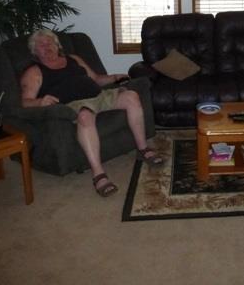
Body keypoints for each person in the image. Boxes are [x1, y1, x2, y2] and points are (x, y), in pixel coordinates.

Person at [20, 29, 162, 197]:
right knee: (85, 116)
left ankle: (143, 149)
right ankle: (99, 175)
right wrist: (40, 102)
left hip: (99, 96)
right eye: (41, 44)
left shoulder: (73, 59)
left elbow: (96, 79)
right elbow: (24, 102)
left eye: (50, 42)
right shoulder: (34, 72)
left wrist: (114, 77)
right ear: (34, 50)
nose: (47, 46)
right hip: (76, 104)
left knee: (131, 96)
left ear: (57, 45)